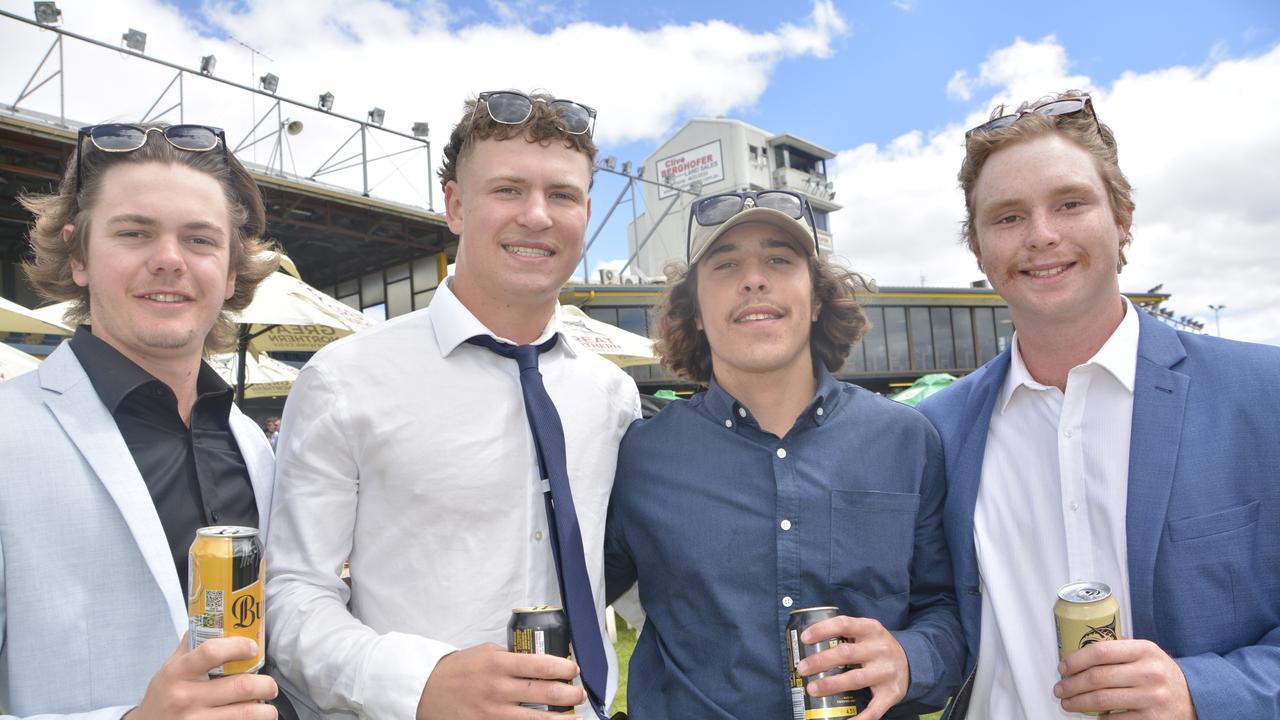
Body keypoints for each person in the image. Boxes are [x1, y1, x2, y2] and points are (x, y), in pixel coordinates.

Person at [265, 90, 640, 719]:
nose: (538, 216)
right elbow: (292, 599)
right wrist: (418, 683)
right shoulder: (345, 380)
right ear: (456, 206)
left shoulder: (612, 395)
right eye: (508, 190)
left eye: (563, 195)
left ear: (587, 211)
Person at [919, 90, 1280, 718]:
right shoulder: (936, 431)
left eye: (1070, 203)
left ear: (1122, 218)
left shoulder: (1263, 395)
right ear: (978, 249)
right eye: (1007, 217)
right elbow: (936, 619)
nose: (1042, 235)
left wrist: (1203, 692)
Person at [605, 190, 965, 719]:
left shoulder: (907, 440)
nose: (754, 279)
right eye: (726, 264)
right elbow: (573, 595)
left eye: (779, 259)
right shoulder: (640, 456)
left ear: (817, 299)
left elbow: (949, 607)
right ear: (697, 312)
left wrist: (911, 659)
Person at [0, 123, 281, 717]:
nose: (169, 260)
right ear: (78, 257)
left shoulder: (253, 445)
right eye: (134, 233)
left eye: (201, 240)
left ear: (231, 274)